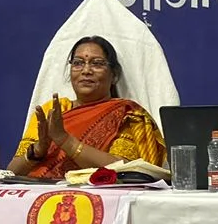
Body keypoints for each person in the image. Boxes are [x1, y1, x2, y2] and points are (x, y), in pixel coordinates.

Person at [8, 36, 166, 180]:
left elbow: (125, 169)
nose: (86, 71)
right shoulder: (53, 111)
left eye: (97, 63)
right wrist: (37, 150)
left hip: (102, 197)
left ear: (114, 75)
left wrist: (66, 141)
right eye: (78, 63)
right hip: (43, 195)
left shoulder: (126, 114)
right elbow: (12, 172)